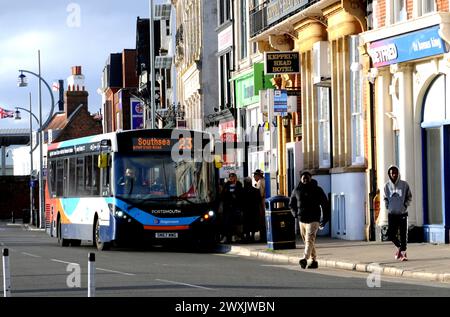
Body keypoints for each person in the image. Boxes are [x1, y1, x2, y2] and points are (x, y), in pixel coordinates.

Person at [289, 171, 329, 269]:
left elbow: (325, 204)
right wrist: (295, 214)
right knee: (309, 242)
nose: (305, 179)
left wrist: (325, 218)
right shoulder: (296, 190)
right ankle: (314, 261)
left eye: (307, 177)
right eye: (304, 178)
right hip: (301, 219)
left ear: (311, 178)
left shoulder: (317, 190)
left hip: (314, 219)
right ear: (301, 179)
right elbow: (291, 204)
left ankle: (304, 259)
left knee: (309, 240)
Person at [384, 165, 412, 261]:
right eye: (392, 173)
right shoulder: (386, 186)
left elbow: (409, 197)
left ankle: (403, 254)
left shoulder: (404, 185)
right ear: (389, 174)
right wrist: (388, 206)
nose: (394, 175)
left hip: (402, 214)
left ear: (398, 173)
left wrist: (405, 206)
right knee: (390, 235)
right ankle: (400, 248)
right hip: (392, 214)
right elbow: (385, 198)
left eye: (396, 173)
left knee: (403, 234)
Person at [219, 173, 243, 243]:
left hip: (236, 206)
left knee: (237, 222)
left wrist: (236, 196)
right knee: (227, 222)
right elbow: (223, 194)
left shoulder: (239, 184)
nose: (232, 178)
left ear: (235, 177)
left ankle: (236, 236)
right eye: (230, 177)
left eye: (233, 177)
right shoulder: (226, 185)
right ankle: (228, 237)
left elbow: (241, 194)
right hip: (228, 207)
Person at [241, 177, 261, 243]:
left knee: (246, 224)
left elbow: (240, 201)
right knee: (253, 223)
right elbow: (259, 201)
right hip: (254, 210)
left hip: (246, 210)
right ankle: (252, 236)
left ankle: (247, 236)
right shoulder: (256, 190)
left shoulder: (242, 191)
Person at [253, 169, 266, 242]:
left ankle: (263, 237)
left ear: (258, 176)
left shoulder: (260, 182)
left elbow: (260, 194)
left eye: (255, 175)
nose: (254, 177)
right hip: (265, 201)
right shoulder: (264, 180)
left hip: (262, 202)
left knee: (262, 221)